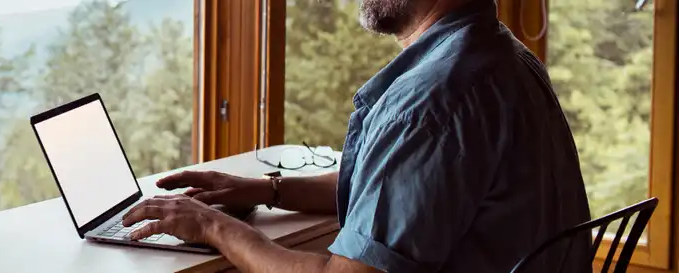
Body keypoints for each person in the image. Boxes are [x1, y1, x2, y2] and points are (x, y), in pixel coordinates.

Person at [121, 0, 593, 272]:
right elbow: (403, 190)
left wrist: (210, 225)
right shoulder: (503, 57)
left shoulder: (431, 101)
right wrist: (267, 190)